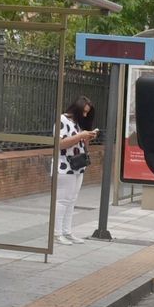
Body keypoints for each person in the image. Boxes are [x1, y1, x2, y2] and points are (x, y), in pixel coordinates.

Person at [54, 96, 98, 245]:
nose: (85, 115)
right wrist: (80, 135)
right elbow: (59, 144)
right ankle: (57, 233)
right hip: (64, 166)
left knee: (71, 200)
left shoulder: (77, 123)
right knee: (62, 200)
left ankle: (67, 232)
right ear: (77, 109)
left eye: (87, 113)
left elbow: (80, 145)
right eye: (84, 112)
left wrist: (87, 138)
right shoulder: (62, 120)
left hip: (77, 166)